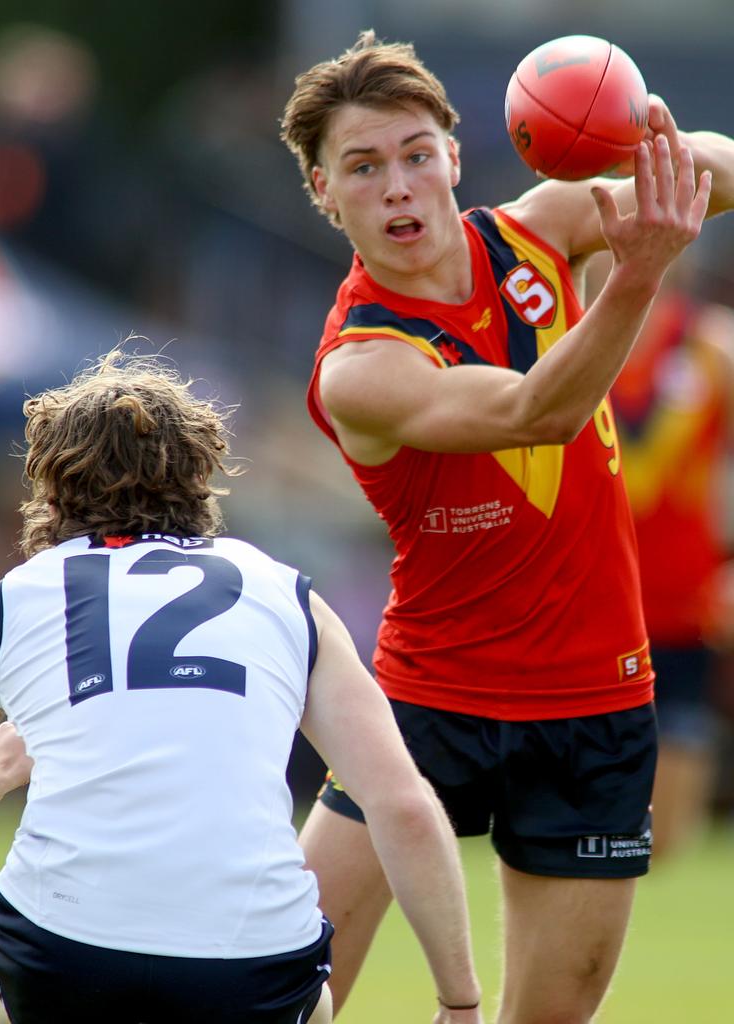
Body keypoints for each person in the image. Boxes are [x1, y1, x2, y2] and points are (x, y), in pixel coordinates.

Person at [280, 29, 734, 1023]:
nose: (397, 186)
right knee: (282, 996)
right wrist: (642, 272)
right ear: (324, 192)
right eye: (362, 167)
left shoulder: (543, 226)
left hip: (595, 697)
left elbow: (720, 168)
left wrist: (659, 143)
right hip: (427, 702)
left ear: (452, 151)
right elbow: (538, 412)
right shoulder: (361, 365)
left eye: (413, 153)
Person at [0, 350, 482, 1024]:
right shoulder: (287, 595)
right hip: (254, 967)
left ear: (53, 487)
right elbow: (404, 807)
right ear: (200, 476)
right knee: (316, 1005)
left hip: (62, 957)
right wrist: (459, 1000)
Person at [604, 256, 734, 858]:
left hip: (686, 592)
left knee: (671, 829)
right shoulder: (573, 339)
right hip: (590, 591)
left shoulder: (715, 347)